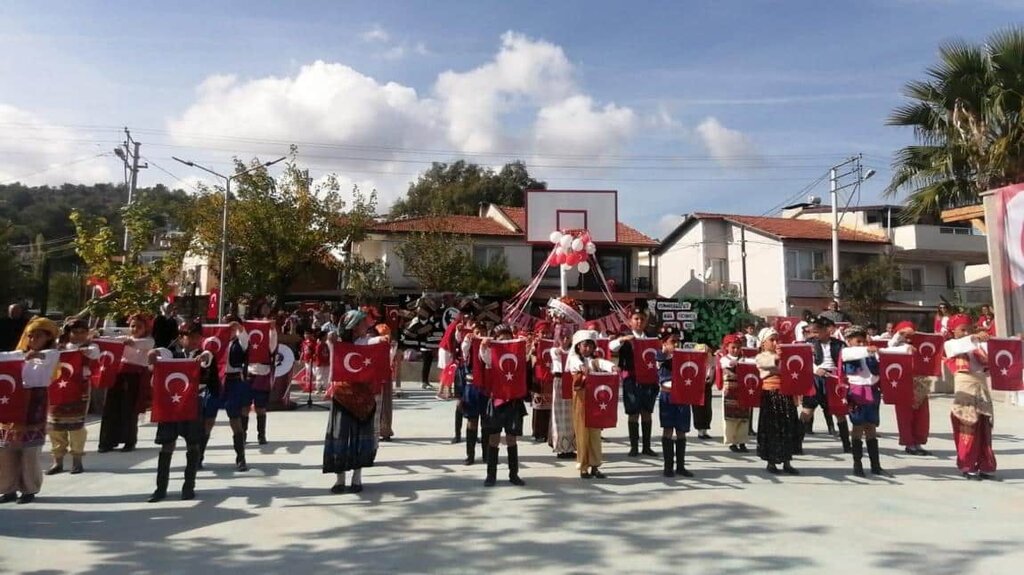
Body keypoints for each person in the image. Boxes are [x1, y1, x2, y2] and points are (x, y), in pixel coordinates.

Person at [146, 320, 216, 502]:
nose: (194, 340)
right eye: (189, 336)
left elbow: (208, 357)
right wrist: (153, 352)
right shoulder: (172, 354)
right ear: (181, 338)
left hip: (192, 403)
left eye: (197, 337)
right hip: (171, 404)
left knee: (193, 445)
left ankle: (188, 487)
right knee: (167, 444)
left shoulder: (202, 355)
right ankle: (160, 489)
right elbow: (161, 352)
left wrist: (203, 359)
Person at [323, 309, 389, 493]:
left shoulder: (365, 342)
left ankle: (357, 477)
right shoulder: (339, 343)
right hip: (342, 395)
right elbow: (330, 339)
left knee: (360, 437)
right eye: (360, 323)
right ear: (352, 326)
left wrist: (381, 340)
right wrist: (332, 337)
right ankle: (340, 479)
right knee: (340, 435)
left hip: (363, 397)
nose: (364, 326)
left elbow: (374, 341)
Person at [0, 317, 59, 504]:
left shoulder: (51, 353)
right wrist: (22, 355)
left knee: (30, 449)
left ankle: (29, 488)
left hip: (35, 401)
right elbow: (4, 356)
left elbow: (45, 357)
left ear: (48, 338)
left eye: (38, 336)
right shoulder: (19, 354)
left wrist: (34, 355)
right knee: (7, 446)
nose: (32, 339)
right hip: (13, 400)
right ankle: (7, 488)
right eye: (30, 335)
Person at [944, 314, 997, 480]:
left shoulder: (979, 346)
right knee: (967, 425)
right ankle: (968, 465)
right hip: (964, 387)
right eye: (962, 329)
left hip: (981, 386)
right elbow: (958, 348)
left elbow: (992, 362)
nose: (966, 332)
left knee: (984, 426)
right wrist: (974, 337)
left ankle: (986, 465)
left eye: (969, 328)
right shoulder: (951, 344)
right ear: (953, 331)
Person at [46, 318, 98, 475]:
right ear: (68, 333)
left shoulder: (91, 347)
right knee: (55, 426)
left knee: (77, 427)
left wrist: (83, 350)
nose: (79, 335)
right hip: (58, 388)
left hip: (79, 389)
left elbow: (95, 354)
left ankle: (77, 460)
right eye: (75, 332)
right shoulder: (59, 347)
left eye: (83, 332)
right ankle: (58, 461)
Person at [478, 324, 528, 487]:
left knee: (511, 439)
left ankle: (514, 474)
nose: (505, 340)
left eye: (508, 337)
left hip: (513, 401)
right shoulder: (491, 353)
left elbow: (526, 357)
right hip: (497, 400)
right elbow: (484, 357)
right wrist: (484, 345)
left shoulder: (516, 352)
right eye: (501, 338)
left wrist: (525, 343)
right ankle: (490, 475)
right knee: (494, 439)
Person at [98, 313, 155, 453]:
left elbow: (134, 343)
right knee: (111, 407)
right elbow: (111, 339)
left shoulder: (149, 341)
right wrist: (97, 336)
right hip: (118, 376)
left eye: (139, 326)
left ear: (145, 328)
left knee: (129, 409)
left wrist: (126, 342)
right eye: (133, 326)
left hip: (135, 377)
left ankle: (129, 442)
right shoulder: (125, 338)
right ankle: (107, 441)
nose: (135, 329)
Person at [840, 325, 891, 477]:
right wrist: (868, 350)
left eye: (864, 341)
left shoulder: (870, 354)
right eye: (858, 341)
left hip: (872, 391)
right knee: (857, 427)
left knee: (871, 426)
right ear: (849, 341)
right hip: (857, 392)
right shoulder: (847, 352)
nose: (862, 344)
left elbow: (886, 354)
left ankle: (875, 465)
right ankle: (858, 464)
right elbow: (851, 354)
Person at [569, 329, 619, 479]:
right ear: (578, 346)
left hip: (594, 400)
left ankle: (595, 465)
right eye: (585, 345)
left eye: (590, 346)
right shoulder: (573, 359)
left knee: (595, 433)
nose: (588, 349)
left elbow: (602, 363)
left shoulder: (594, 360)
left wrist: (612, 367)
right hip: (581, 399)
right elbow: (576, 364)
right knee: (582, 433)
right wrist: (582, 368)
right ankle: (583, 467)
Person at [609, 310, 658, 458]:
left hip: (648, 379)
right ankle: (634, 446)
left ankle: (647, 447)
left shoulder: (651, 338)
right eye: (636, 319)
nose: (639, 322)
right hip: (631, 379)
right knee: (633, 412)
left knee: (647, 412)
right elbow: (611, 347)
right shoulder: (625, 337)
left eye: (642, 319)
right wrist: (622, 339)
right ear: (630, 321)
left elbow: (659, 354)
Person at [754, 328, 800, 475]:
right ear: (763, 343)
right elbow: (769, 364)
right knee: (772, 428)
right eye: (771, 340)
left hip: (785, 394)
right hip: (770, 395)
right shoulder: (761, 357)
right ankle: (771, 461)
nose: (775, 342)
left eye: (776, 339)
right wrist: (779, 358)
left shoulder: (784, 355)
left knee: (787, 426)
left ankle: (787, 461)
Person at [804, 316, 851, 453]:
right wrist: (815, 369)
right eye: (812, 332)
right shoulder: (809, 344)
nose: (814, 335)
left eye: (816, 332)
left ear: (826, 330)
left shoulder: (839, 344)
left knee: (839, 412)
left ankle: (846, 444)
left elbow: (847, 361)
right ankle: (796, 443)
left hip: (833, 379)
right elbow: (804, 360)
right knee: (807, 411)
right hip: (816, 378)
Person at [888, 321, 933, 456]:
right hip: (903, 385)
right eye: (905, 334)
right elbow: (891, 345)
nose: (909, 337)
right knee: (905, 416)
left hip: (920, 384)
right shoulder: (896, 346)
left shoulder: (920, 345)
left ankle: (918, 443)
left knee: (922, 416)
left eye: (911, 333)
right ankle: (909, 444)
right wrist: (901, 336)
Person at [655, 325, 694, 478]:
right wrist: (666, 350)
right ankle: (668, 466)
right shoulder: (661, 355)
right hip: (668, 396)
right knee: (668, 429)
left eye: (678, 341)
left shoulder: (683, 356)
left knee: (681, 431)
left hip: (682, 395)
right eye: (673, 341)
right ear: (664, 343)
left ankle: (681, 466)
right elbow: (661, 357)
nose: (676, 345)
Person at [221, 316, 252, 472]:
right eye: (227, 327)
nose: (229, 330)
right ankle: (198, 457)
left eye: (232, 328)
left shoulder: (239, 342)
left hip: (233, 381)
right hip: (218, 383)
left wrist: (239, 327)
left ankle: (241, 457)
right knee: (206, 420)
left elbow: (245, 342)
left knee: (235, 420)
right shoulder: (216, 342)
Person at [459, 322, 489, 465]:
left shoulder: (489, 345)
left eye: (483, 331)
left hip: (486, 388)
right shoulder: (469, 345)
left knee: (486, 422)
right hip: (471, 388)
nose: (480, 334)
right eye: (477, 331)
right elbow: (464, 349)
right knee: (472, 422)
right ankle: (470, 455)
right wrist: (467, 339)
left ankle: (486, 454)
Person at [718, 334, 750, 453]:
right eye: (733, 347)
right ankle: (732, 441)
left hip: (742, 391)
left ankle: (742, 441)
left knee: (743, 417)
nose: (736, 350)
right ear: (727, 347)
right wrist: (736, 364)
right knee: (730, 418)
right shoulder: (724, 359)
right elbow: (728, 365)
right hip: (729, 392)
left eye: (738, 347)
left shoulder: (744, 359)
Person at [549, 325, 577, 460]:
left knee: (572, 414)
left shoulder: (574, 351)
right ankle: (561, 446)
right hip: (559, 381)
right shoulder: (554, 350)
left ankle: (571, 447)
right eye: (562, 337)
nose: (565, 340)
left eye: (568, 337)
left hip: (570, 380)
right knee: (559, 415)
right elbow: (558, 357)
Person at [529, 321, 553, 444]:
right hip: (537, 378)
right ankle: (538, 432)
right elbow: (529, 360)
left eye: (547, 333)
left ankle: (548, 432)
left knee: (549, 407)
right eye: (542, 333)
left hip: (549, 378)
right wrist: (533, 350)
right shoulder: (533, 344)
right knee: (538, 407)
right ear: (537, 333)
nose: (544, 335)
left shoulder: (553, 345)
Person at [375, 323, 395, 442]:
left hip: (384, 376)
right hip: (377, 376)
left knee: (385, 404)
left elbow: (390, 360)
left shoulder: (390, 347)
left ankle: (385, 430)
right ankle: (380, 430)